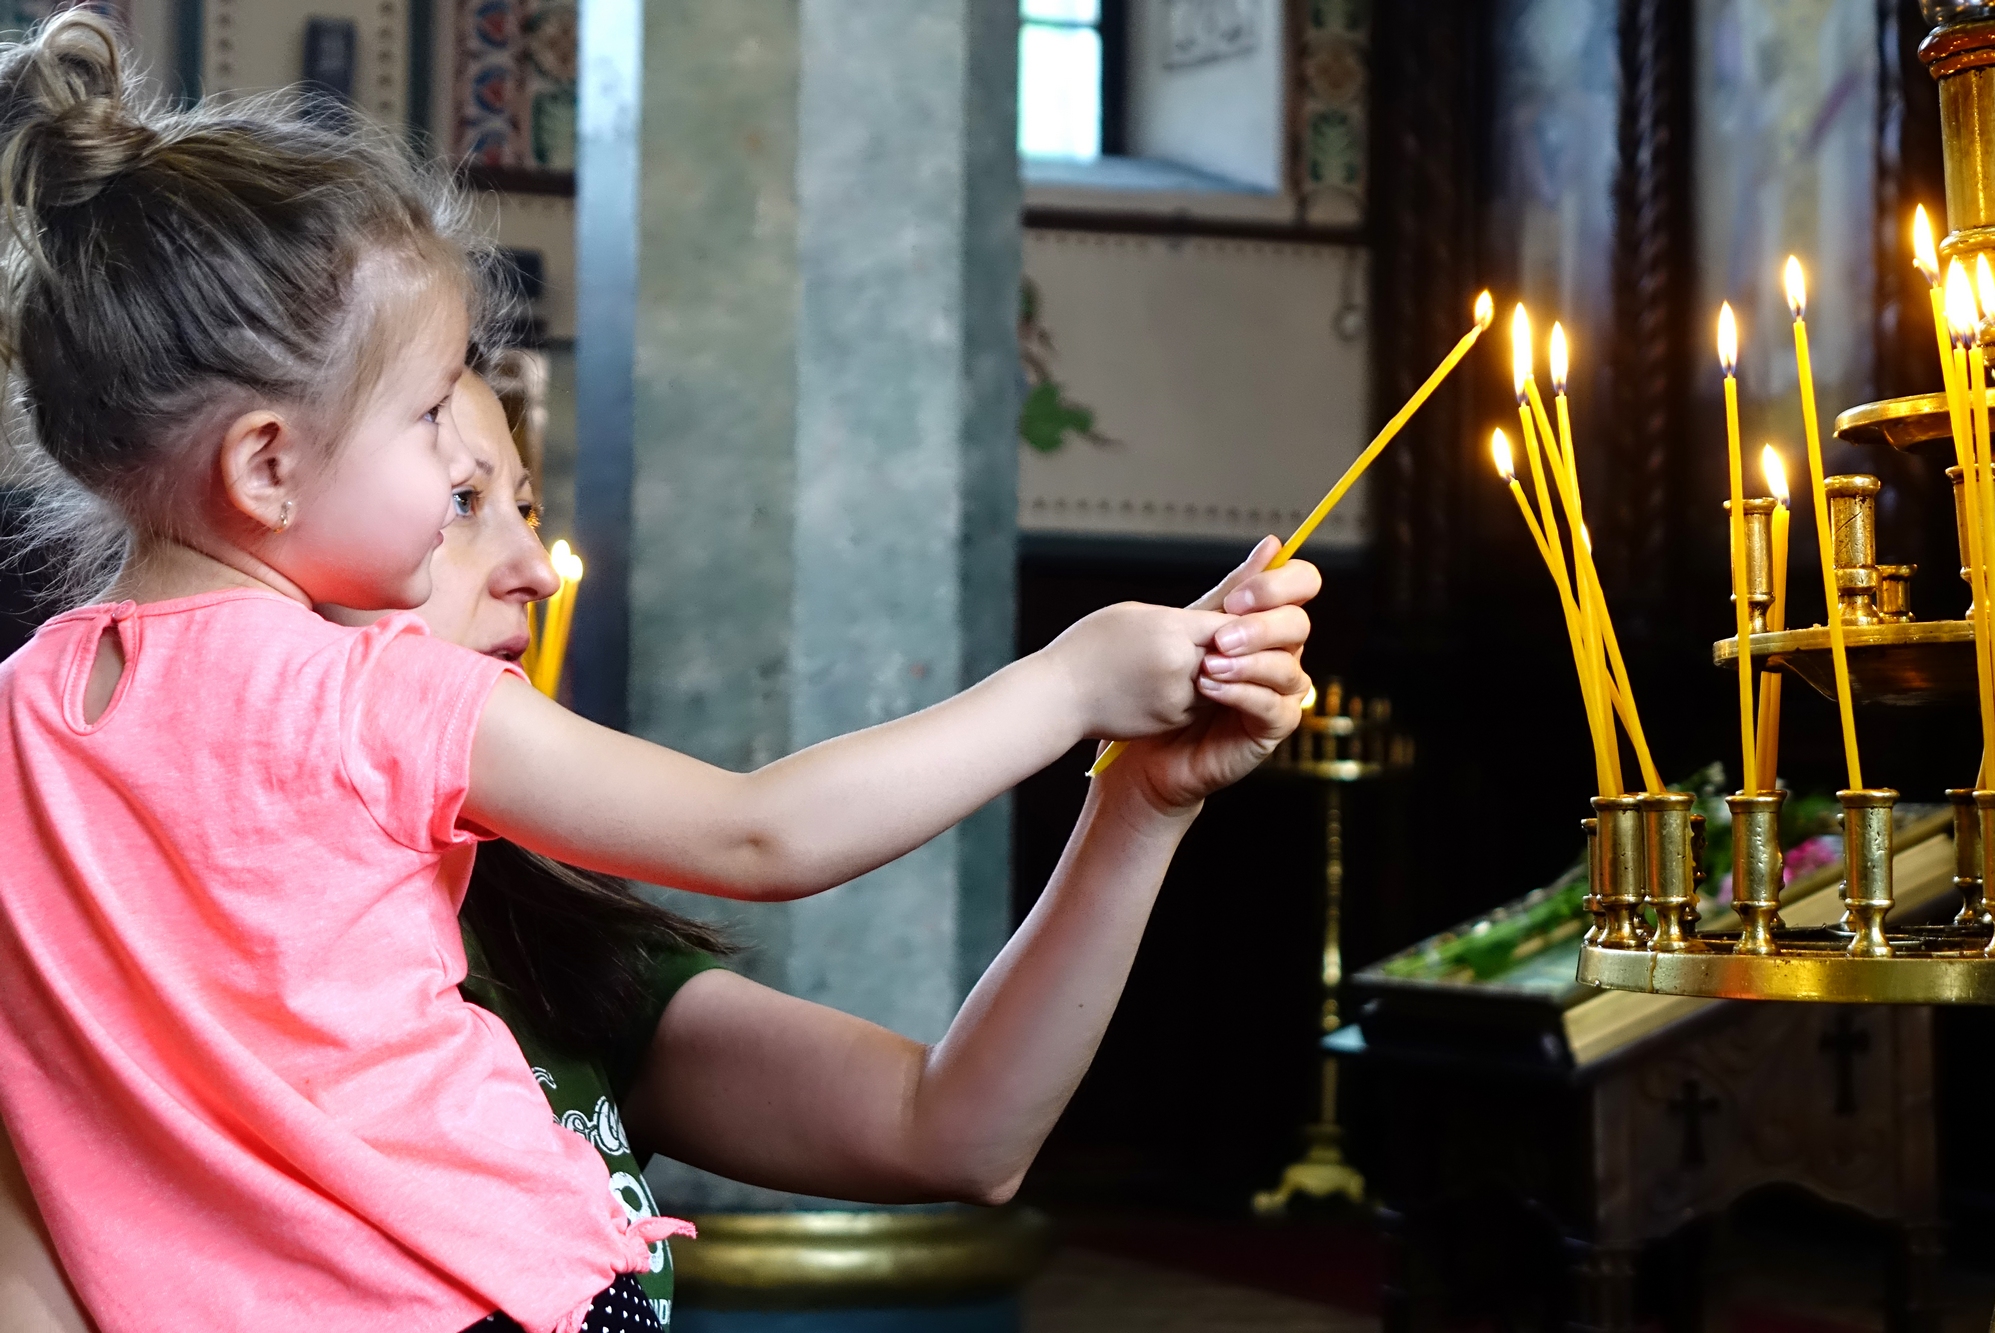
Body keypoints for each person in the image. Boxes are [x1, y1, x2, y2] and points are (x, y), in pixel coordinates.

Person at [0, 16, 1317, 1333]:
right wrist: (1071, 679)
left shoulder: (31, 729)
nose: (537, 566)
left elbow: (952, 1129)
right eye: (455, 485)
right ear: (270, 469)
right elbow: (762, 828)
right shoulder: (376, 700)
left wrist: (1140, 798)